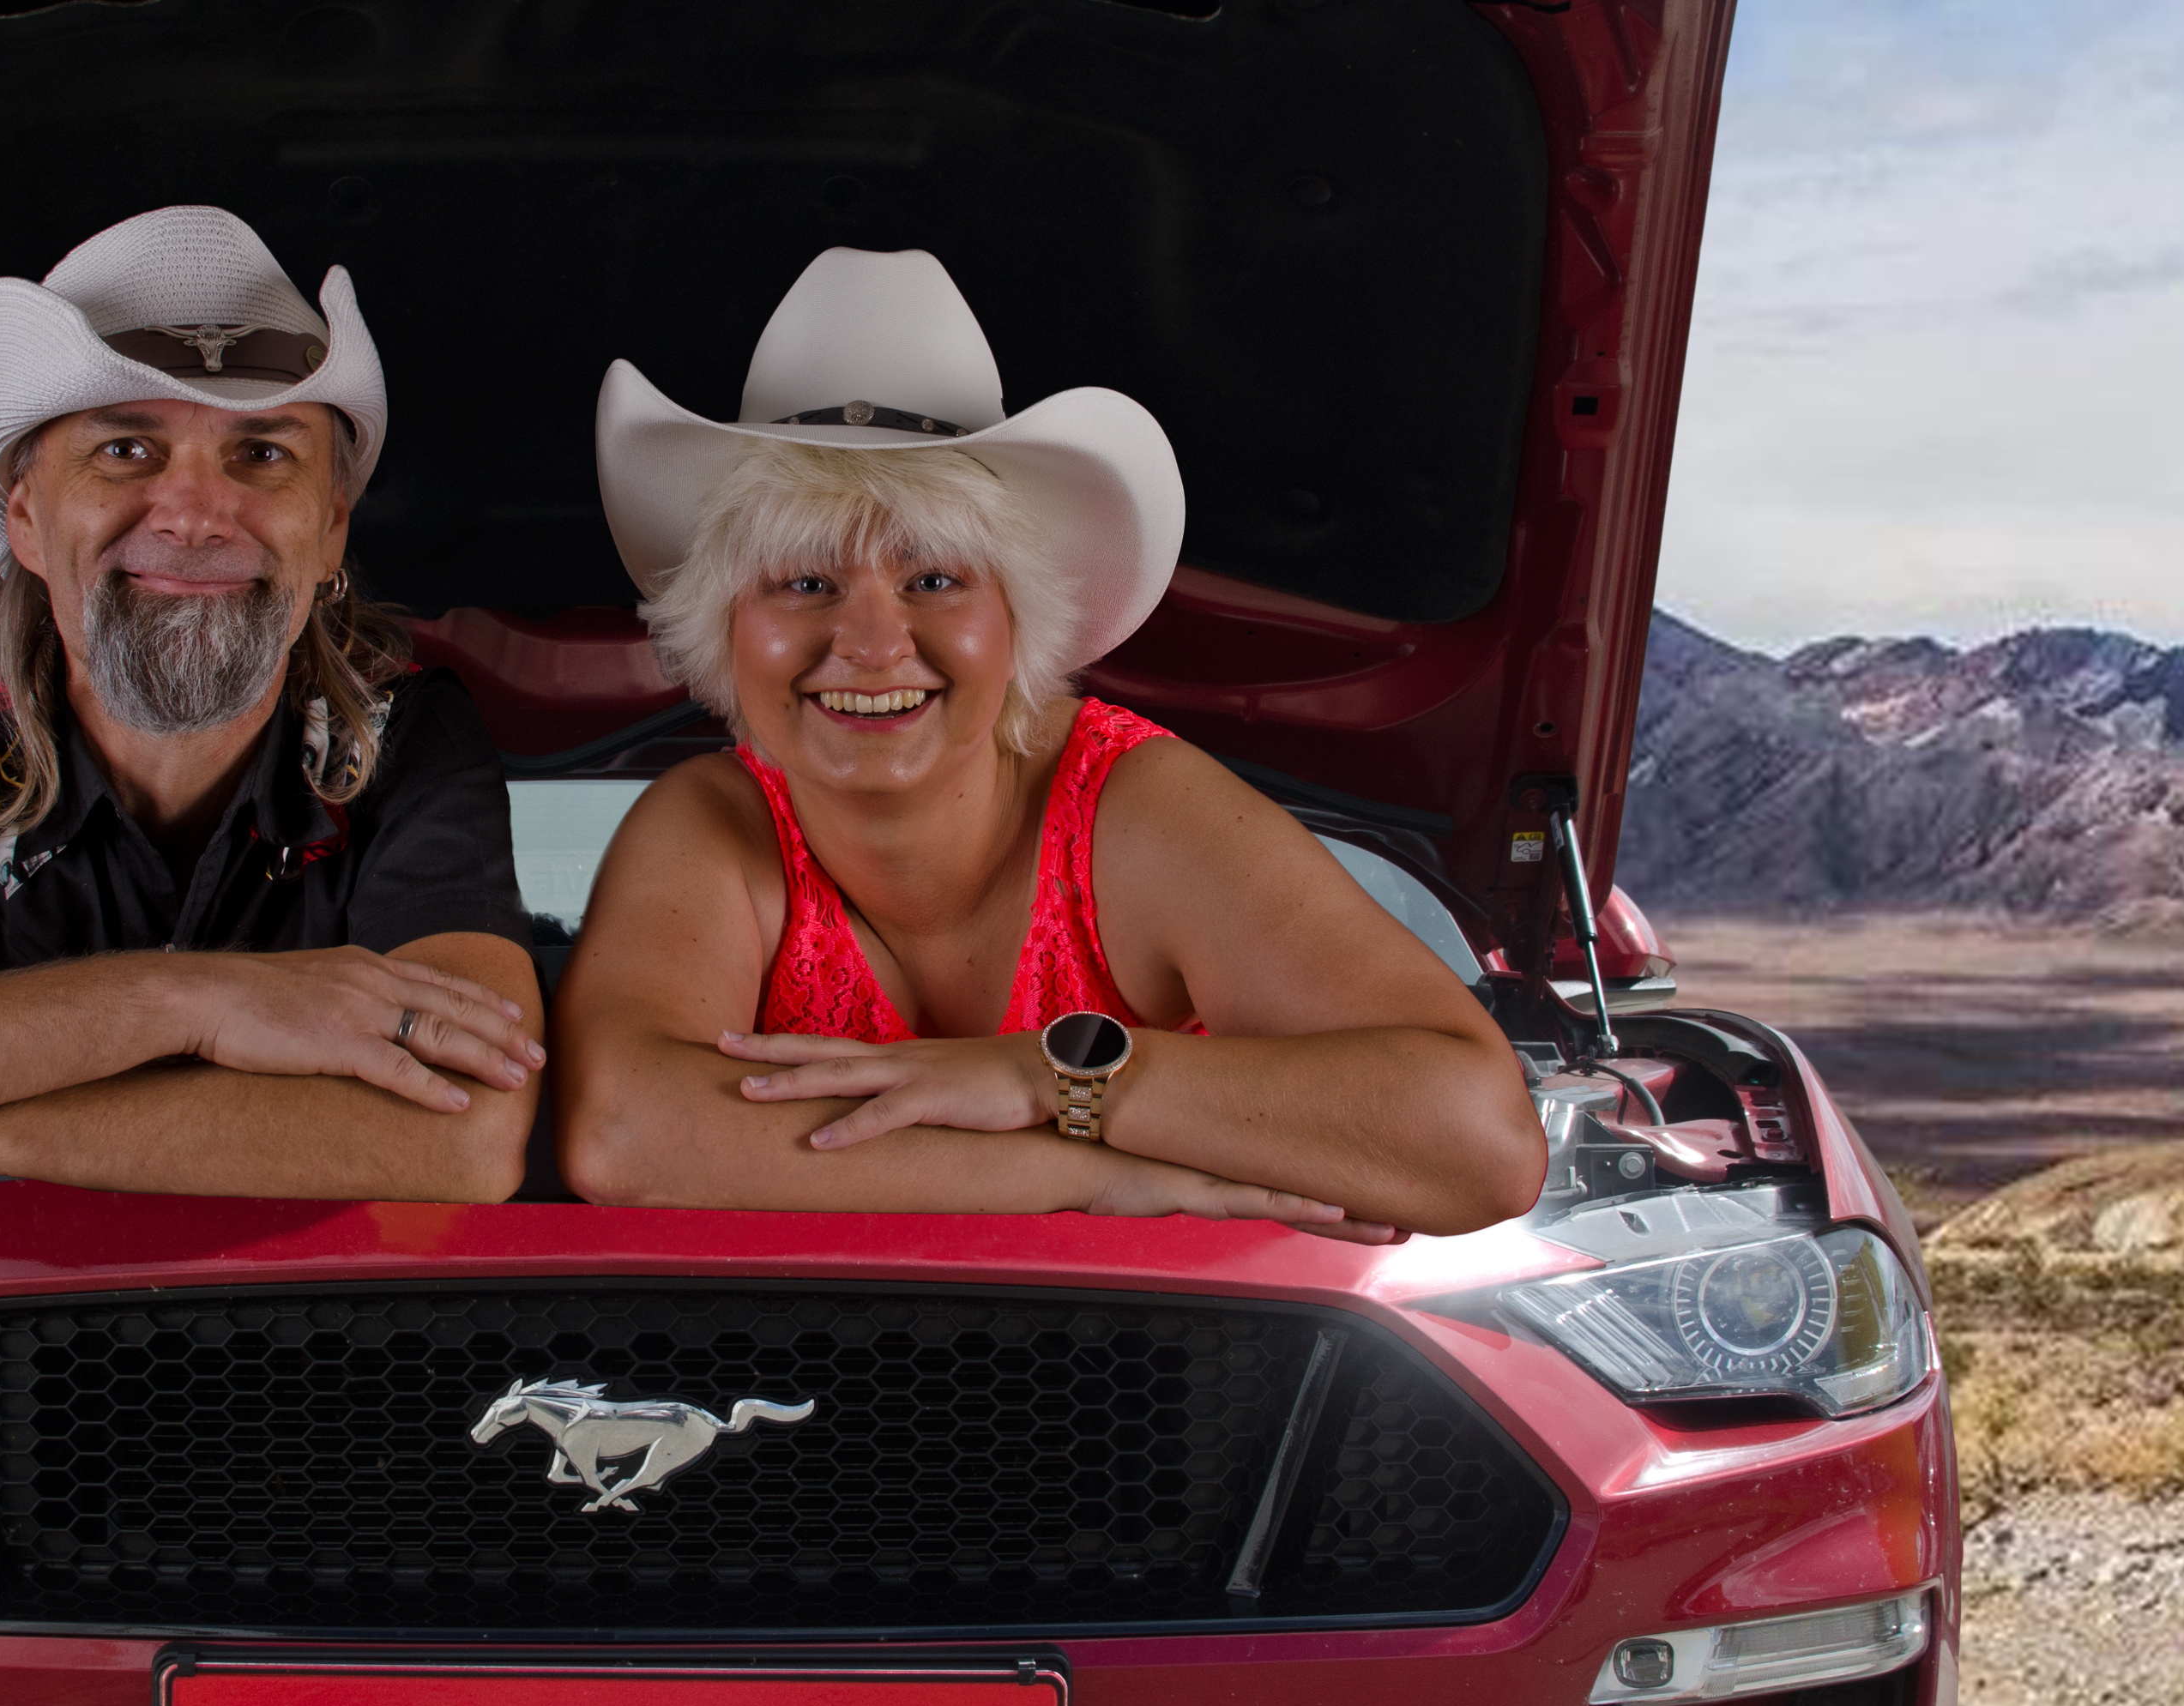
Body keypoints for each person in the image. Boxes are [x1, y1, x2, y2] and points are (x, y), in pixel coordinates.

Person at [552, 248, 1548, 1234]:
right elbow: (625, 1135)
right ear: (724, 624)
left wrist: (1046, 1074)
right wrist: (1095, 1175)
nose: (870, 644)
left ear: (1016, 619)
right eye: (804, 581)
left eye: (933, 579)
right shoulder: (714, 821)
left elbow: (1478, 1145)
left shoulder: (1134, 806)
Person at [0, 207, 544, 1202]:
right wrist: (192, 1001)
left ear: (330, 526)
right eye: (124, 450)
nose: (195, 517)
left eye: (261, 455)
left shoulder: (402, 736)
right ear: (26, 515)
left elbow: (463, 1136)